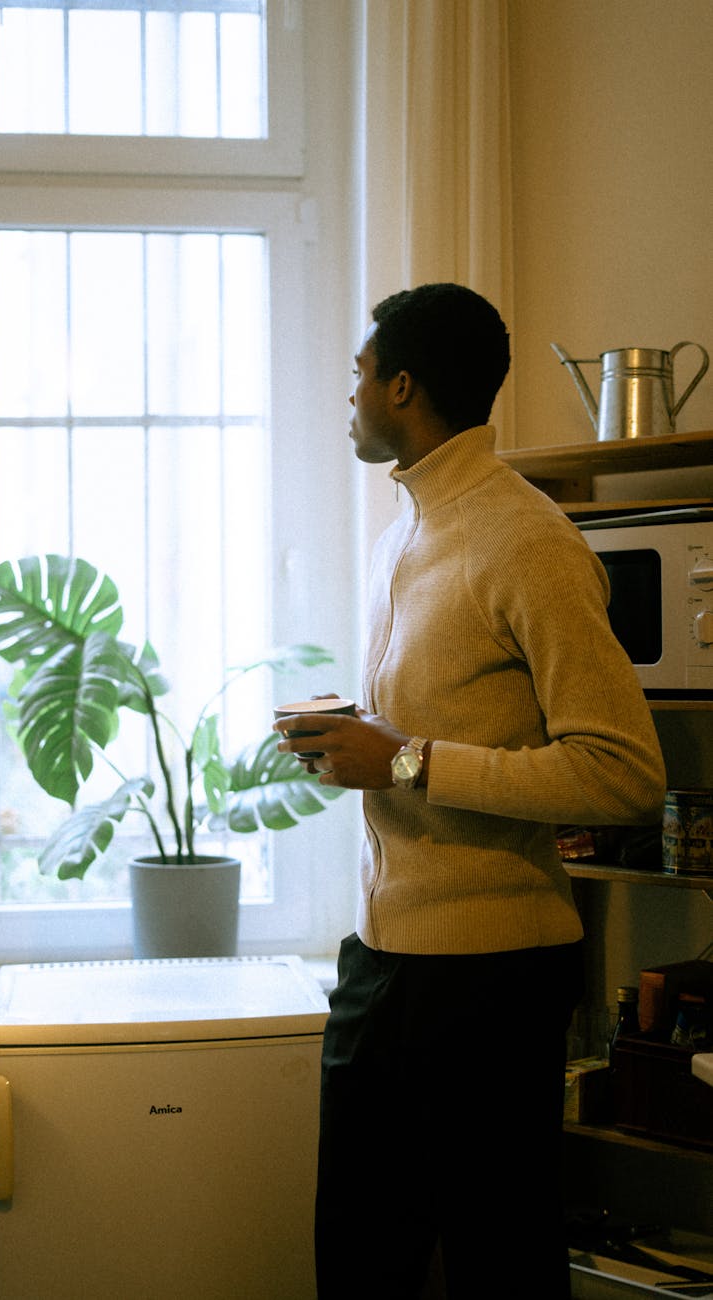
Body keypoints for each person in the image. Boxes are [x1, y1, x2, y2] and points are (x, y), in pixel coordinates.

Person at [274, 283, 666, 1299]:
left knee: (501, 1271)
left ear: (402, 385)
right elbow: (433, 723)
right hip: (379, 964)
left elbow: (624, 770)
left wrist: (402, 759)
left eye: (358, 374)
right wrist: (348, 738)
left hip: (491, 983)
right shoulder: (398, 535)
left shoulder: (529, 540)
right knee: (359, 1266)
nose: (348, 395)